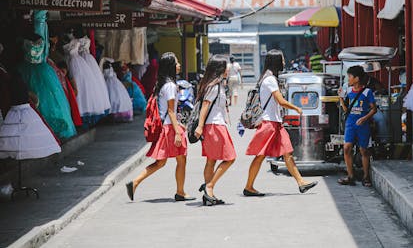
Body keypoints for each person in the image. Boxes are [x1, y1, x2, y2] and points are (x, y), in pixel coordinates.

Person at [244, 49, 318, 196]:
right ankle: (248, 187)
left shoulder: (269, 78)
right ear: (276, 61)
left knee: (287, 153)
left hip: (275, 124)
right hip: (269, 124)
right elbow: (281, 101)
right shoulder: (270, 79)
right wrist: (296, 107)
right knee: (260, 156)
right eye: (282, 59)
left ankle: (301, 183)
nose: (284, 62)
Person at [126, 52, 195, 202]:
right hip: (170, 129)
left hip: (168, 127)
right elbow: (170, 111)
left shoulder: (164, 85)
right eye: (176, 63)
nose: (179, 65)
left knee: (162, 162)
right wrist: (178, 131)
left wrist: (179, 125)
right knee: (179, 160)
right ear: (170, 66)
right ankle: (180, 192)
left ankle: (135, 183)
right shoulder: (170, 86)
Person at [194, 55, 236, 206]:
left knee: (211, 160)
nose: (228, 69)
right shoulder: (215, 86)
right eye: (226, 66)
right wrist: (199, 126)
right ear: (220, 69)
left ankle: (209, 194)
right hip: (215, 126)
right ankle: (209, 186)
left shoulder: (216, 84)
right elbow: (205, 105)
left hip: (213, 126)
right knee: (230, 158)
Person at [338, 66, 377, 187]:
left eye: (350, 76)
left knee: (364, 150)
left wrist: (364, 118)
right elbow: (346, 110)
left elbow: (374, 109)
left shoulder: (367, 92)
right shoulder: (348, 91)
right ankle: (350, 176)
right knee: (346, 148)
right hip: (350, 123)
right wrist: (340, 99)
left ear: (357, 78)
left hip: (363, 125)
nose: (348, 79)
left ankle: (366, 177)